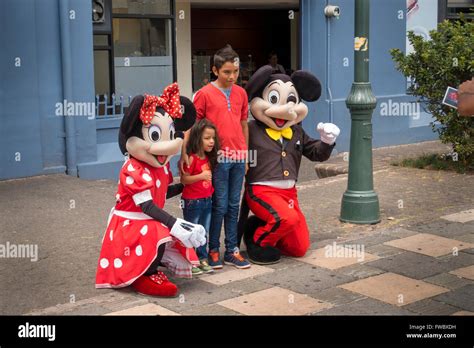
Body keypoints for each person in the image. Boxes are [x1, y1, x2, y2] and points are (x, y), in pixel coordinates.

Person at [180, 44, 251, 270]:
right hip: (218, 159)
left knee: (233, 206)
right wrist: (184, 152)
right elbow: (192, 124)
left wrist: (247, 155)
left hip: (239, 158)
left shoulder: (241, 93)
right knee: (218, 206)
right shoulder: (204, 94)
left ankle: (231, 250)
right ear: (215, 70)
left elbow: (243, 125)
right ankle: (212, 250)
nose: (232, 77)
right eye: (227, 72)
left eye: (236, 72)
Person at [180, 119, 220, 275]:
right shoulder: (191, 158)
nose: (211, 141)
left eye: (213, 138)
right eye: (207, 138)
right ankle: (190, 260)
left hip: (207, 200)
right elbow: (184, 180)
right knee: (191, 232)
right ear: (197, 138)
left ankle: (202, 258)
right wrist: (201, 176)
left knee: (204, 231)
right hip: (192, 202)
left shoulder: (209, 158)